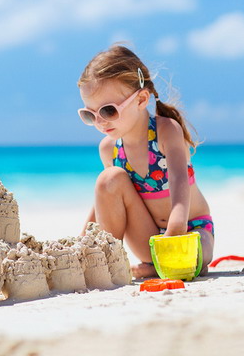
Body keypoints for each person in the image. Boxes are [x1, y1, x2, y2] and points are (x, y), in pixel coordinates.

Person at [77, 45, 213, 278]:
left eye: (108, 111)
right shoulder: (110, 148)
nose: (100, 122)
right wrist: (81, 242)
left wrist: (177, 226)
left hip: (191, 228)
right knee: (108, 179)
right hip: (149, 238)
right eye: (90, 115)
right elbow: (103, 199)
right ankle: (106, 260)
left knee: (193, 262)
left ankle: (159, 267)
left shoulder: (166, 131)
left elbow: (179, 179)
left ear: (141, 100)